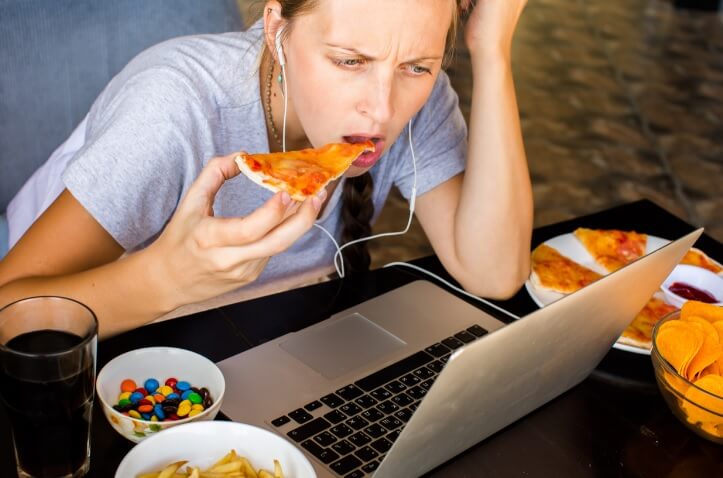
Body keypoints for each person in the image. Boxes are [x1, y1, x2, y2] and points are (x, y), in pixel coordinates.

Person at [0, 0, 532, 338]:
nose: (382, 109)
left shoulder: (421, 99)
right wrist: (169, 276)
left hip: (251, 341)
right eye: (349, 61)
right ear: (277, 30)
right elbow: (8, 310)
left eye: (417, 66)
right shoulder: (173, 106)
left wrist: (491, 51)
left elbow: (494, 274)